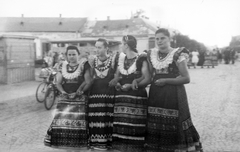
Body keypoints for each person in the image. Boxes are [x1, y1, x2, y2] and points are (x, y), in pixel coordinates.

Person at [146, 28, 203, 152]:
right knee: (157, 120)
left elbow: (186, 78)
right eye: (157, 39)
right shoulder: (151, 55)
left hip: (174, 94)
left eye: (162, 38)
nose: (159, 41)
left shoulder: (177, 55)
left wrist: (166, 81)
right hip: (156, 94)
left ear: (169, 39)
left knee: (174, 121)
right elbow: (150, 76)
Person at [44, 45, 92, 150]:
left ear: (78, 55)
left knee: (78, 126)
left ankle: (78, 148)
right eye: (69, 54)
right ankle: (67, 147)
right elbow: (58, 82)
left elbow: (88, 82)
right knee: (64, 126)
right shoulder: (62, 66)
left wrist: (79, 92)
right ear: (66, 55)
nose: (71, 57)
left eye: (74, 54)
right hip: (65, 100)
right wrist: (63, 92)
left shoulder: (84, 65)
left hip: (79, 99)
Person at [112, 35, 151, 152]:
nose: (120, 46)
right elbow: (117, 76)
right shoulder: (121, 58)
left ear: (126, 45)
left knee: (135, 124)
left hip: (136, 97)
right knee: (122, 123)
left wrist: (134, 85)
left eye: (121, 43)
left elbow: (147, 78)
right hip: (121, 98)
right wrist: (117, 83)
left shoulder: (141, 59)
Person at [88, 38, 119, 150]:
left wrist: (115, 80)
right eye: (96, 47)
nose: (97, 50)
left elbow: (117, 76)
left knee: (107, 119)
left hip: (108, 95)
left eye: (99, 47)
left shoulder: (113, 61)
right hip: (95, 96)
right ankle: (96, 143)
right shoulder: (92, 61)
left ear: (106, 48)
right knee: (95, 119)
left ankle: (107, 143)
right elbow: (90, 78)